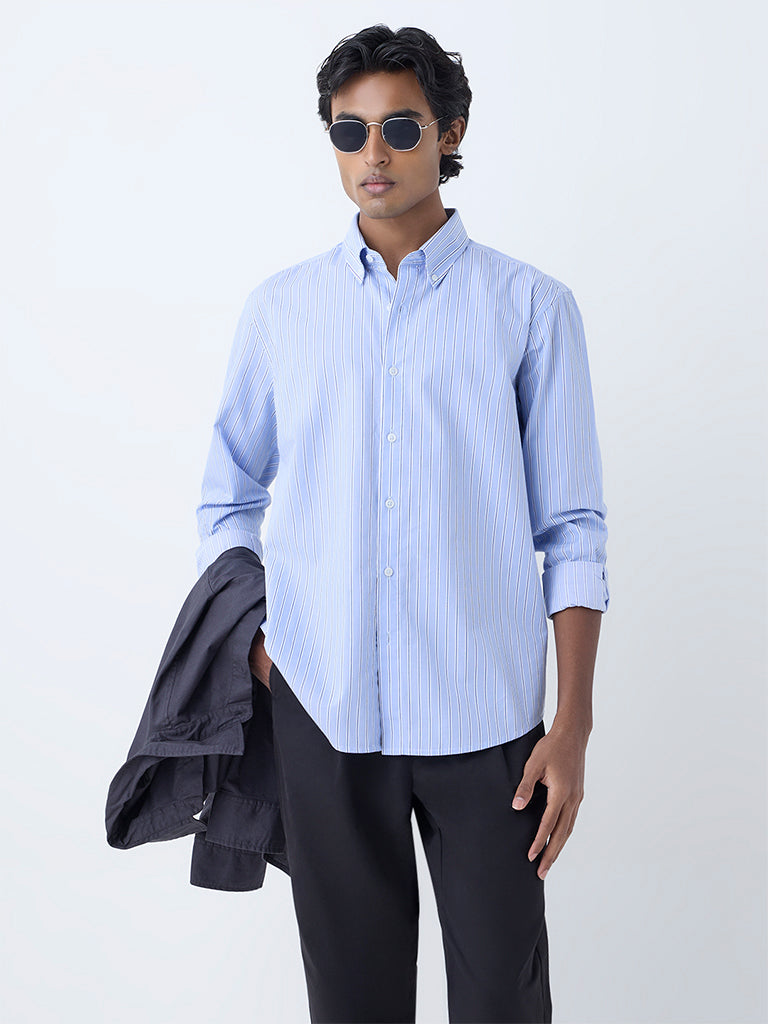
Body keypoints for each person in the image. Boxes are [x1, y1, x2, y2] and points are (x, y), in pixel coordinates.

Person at [195, 22, 610, 1024]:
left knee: (504, 1000)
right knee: (352, 1005)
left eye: (399, 127)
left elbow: (572, 528)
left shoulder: (531, 308)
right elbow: (228, 496)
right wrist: (260, 642)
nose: (372, 153)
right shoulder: (281, 312)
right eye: (349, 131)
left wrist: (573, 725)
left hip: (488, 724)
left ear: (449, 132)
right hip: (326, 710)